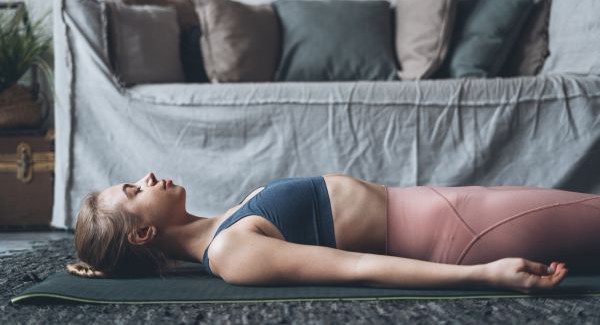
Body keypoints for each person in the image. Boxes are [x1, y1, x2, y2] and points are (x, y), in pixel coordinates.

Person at [68, 172, 600, 294]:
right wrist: (484, 275)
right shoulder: (231, 252)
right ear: (142, 234)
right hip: (466, 234)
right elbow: (359, 269)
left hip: (459, 205)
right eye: (134, 192)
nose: (148, 180)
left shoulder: (222, 223)